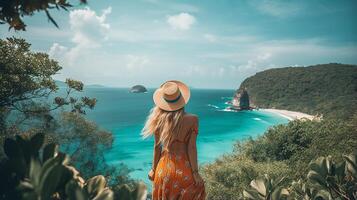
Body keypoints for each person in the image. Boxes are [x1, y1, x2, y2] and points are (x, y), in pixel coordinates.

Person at [141, 80, 206, 200]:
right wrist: (195, 173)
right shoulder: (193, 119)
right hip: (184, 171)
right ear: (182, 100)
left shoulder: (158, 120)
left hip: (163, 171)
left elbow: (157, 147)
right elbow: (191, 147)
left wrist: (153, 170)